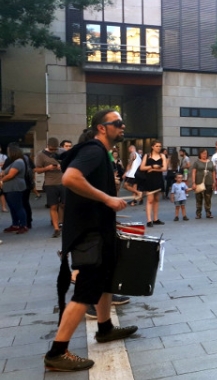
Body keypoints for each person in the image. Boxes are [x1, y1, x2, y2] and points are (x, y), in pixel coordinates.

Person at [44, 109, 136, 372]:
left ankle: (105, 327)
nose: (123, 126)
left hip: (98, 228)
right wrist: (107, 198)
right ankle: (57, 351)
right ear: (102, 128)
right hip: (89, 232)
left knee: (106, 279)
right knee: (86, 290)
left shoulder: (101, 153)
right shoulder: (94, 150)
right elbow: (70, 178)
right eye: (118, 123)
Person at [35, 137, 65, 237]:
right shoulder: (41, 155)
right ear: (47, 146)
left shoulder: (62, 151)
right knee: (53, 205)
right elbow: (37, 170)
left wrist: (63, 165)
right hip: (50, 183)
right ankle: (56, 228)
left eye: (55, 149)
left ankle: (62, 223)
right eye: (52, 149)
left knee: (64, 204)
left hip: (64, 182)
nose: (54, 151)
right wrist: (47, 168)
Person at [0, 144, 28, 234]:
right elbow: (4, 172)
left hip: (15, 187)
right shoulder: (13, 162)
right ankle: (15, 224)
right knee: (12, 207)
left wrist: (1, 180)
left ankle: (23, 225)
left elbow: (11, 175)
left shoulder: (18, 162)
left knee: (18, 206)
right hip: (9, 188)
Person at [140, 140, 166, 227]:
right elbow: (142, 167)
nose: (159, 148)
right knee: (150, 200)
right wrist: (152, 166)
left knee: (156, 199)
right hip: (149, 179)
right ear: (152, 146)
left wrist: (153, 169)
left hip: (158, 178)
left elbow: (164, 168)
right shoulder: (147, 156)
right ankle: (149, 220)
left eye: (160, 146)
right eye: (157, 146)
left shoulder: (162, 156)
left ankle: (155, 219)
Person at [191, 148, 215, 219]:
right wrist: (193, 182)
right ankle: (198, 213)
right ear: (200, 154)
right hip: (199, 182)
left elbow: (213, 172)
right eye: (202, 153)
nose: (204, 155)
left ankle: (208, 212)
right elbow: (193, 172)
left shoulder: (211, 162)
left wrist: (214, 181)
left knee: (208, 198)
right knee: (199, 198)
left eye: (205, 153)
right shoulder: (196, 162)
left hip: (209, 182)